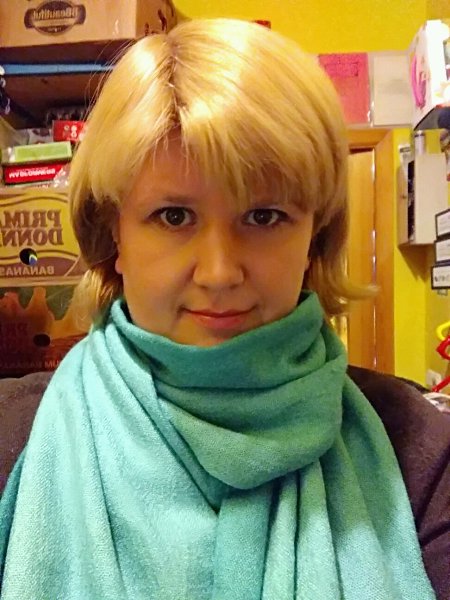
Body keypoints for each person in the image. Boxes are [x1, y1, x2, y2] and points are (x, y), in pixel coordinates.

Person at [0, 18, 448, 600]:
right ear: (114, 236)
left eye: (264, 216)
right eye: (173, 216)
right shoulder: (13, 436)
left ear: (314, 237)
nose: (219, 273)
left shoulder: (419, 450)